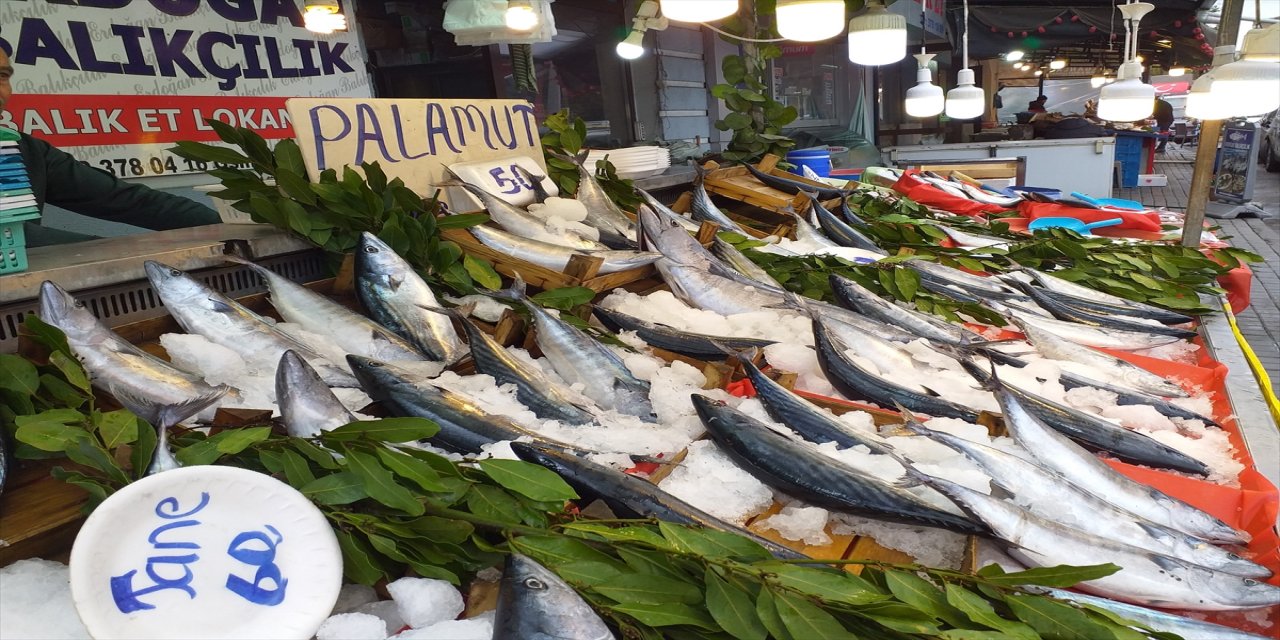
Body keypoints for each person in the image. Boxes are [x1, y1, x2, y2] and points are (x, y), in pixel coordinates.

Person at [0, 47, 220, 248]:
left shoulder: (23, 150)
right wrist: (130, 254)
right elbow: (9, 239)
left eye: (2, 76)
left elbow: (127, 200)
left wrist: (229, 225)